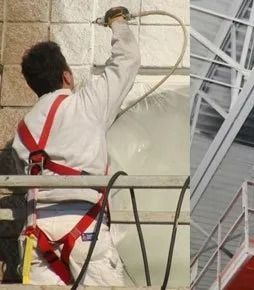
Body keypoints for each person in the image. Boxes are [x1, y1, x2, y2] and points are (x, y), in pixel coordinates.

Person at [12, 7, 140, 286]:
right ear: (67, 77)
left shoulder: (22, 132)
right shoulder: (87, 104)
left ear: (34, 86)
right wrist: (116, 22)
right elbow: (127, 60)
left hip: (36, 235)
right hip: (85, 229)